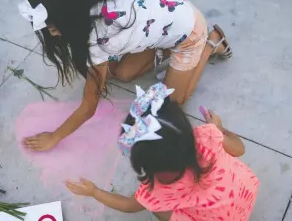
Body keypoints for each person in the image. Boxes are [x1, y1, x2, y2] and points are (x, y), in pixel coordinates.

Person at [19, 0, 233, 151]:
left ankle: (209, 44)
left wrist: (55, 137)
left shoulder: (95, 40)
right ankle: (167, 46)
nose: (49, 31)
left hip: (189, 32)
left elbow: (89, 106)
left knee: (171, 106)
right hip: (169, 14)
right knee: (122, 73)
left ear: (69, 18)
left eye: (52, 25)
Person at [66, 83, 259, 221]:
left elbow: (128, 206)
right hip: (245, 195)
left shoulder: (156, 192)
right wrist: (219, 128)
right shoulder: (208, 135)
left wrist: (94, 192)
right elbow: (239, 149)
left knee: (158, 210)